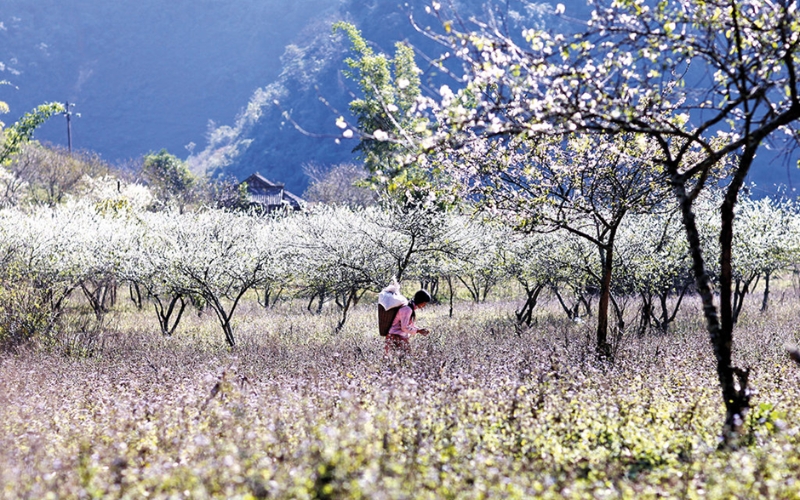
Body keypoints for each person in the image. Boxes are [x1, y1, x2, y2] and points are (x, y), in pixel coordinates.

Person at [385, 289, 431, 355]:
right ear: (421, 301)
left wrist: (419, 330)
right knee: (404, 359)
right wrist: (418, 331)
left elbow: (408, 325)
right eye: (425, 303)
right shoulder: (407, 309)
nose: (424, 305)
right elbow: (404, 327)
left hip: (395, 336)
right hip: (396, 337)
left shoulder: (409, 308)